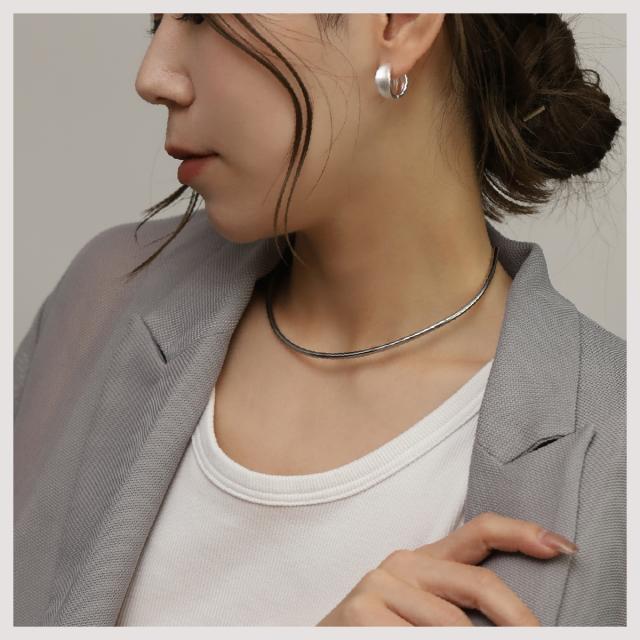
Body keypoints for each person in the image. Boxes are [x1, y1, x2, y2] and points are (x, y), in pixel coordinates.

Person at [14, 14, 625, 626]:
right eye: (160, 19)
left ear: (398, 21)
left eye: (203, 14)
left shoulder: (616, 451)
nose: (153, 77)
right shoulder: (105, 299)